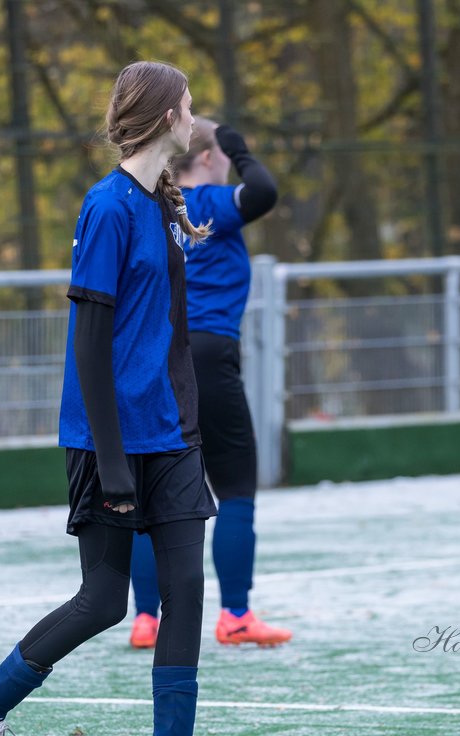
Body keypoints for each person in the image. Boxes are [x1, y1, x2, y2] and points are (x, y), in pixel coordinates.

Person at [0, 61, 242, 736]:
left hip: (171, 438)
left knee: (184, 589)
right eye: (188, 107)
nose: (193, 117)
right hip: (108, 440)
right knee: (105, 601)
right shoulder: (106, 207)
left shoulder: (158, 207)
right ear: (168, 117)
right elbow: (89, 344)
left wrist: (189, 424)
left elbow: (170, 335)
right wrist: (110, 461)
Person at [127, 117, 291, 650]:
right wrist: (240, 146)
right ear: (208, 158)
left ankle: (145, 619)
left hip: (159, 356)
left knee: (152, 493)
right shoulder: (213, 202)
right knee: (236, 485)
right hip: (211, 352)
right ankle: (236, 616)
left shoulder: (156, 207)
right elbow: (264, 190)